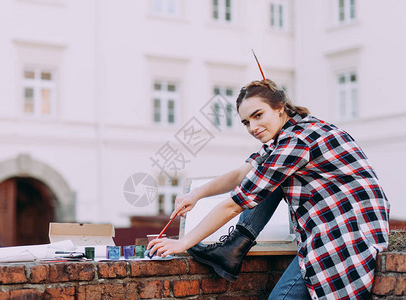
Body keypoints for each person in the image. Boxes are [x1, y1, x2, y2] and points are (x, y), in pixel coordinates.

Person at [148, 79, 390, 300]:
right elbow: (243, 172)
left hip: (345, 238)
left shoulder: (297, 141)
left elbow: (235, 204)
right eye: (246, 122)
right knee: (263, 174)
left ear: (280, 107)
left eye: (258, 115)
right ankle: (234, 246)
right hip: (328, 234)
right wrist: (196, 195)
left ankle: (233, 247)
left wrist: (183, 244)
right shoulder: (291, 134)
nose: (253, 127)